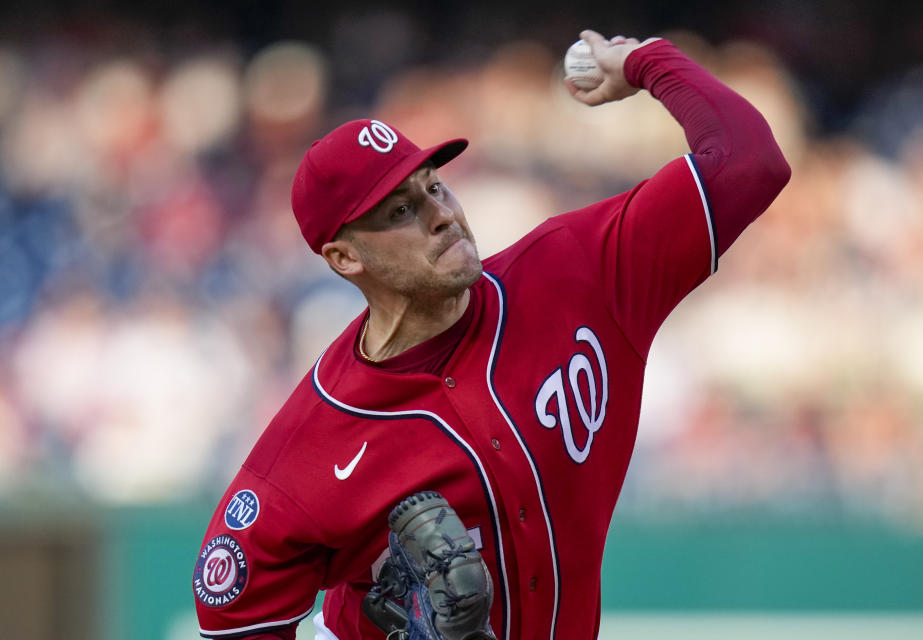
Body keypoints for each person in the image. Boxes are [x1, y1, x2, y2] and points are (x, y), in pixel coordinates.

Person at [193, 29, 791, 640]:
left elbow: (751, 162)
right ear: (346, 258)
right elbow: (231, 618)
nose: (442, 215)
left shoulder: (577, 272)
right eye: (401, 211)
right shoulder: (309, 450)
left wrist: (646, 61)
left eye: (433, 185)